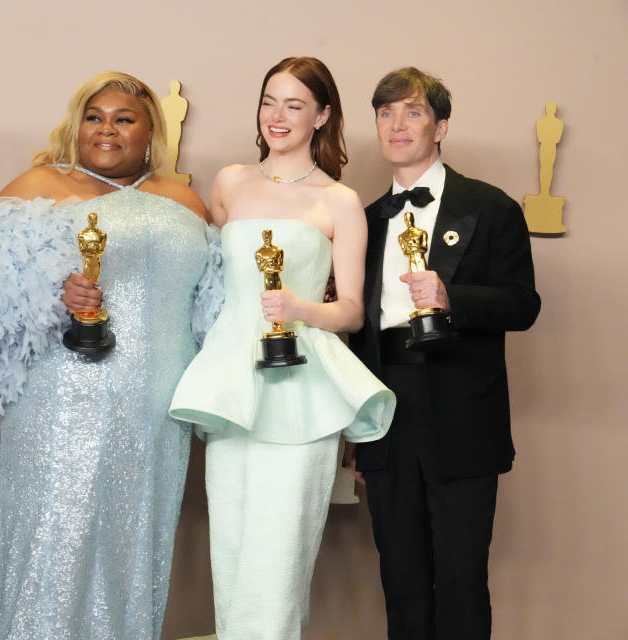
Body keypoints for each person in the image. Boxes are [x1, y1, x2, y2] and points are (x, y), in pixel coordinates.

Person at [0, 70, 212, 640]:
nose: (105, 129)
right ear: (76, 125)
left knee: (138, 540)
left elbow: (209, 297)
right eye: (93, 116)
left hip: (159, 409)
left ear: (150, 132)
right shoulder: (41, 182)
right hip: (62, 396)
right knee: (54, 538)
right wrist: (52, 292)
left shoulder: (184, 198)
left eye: (123, 118)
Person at [168, 57, 395, 640]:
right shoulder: (229, 183)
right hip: (232, 381)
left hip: (301, 386)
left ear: (322, 115)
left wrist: (299, 310)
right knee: (234, 545)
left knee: (280, 553)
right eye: (270, 101)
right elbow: (215, 281)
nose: (279, 116)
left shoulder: (340, 201)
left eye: (295, 105)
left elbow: (351, 309)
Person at [348, 67, 540, 639]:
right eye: (385, 113)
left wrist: (451, 297)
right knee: (400, 581)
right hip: (387, 416)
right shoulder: (363, 221)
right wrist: (357, 428)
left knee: (460, 581)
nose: (397, 125)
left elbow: (523, 306)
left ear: (441, 126)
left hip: (462, 414)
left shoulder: (492, 207)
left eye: (412, 112)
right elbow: (359, 331)